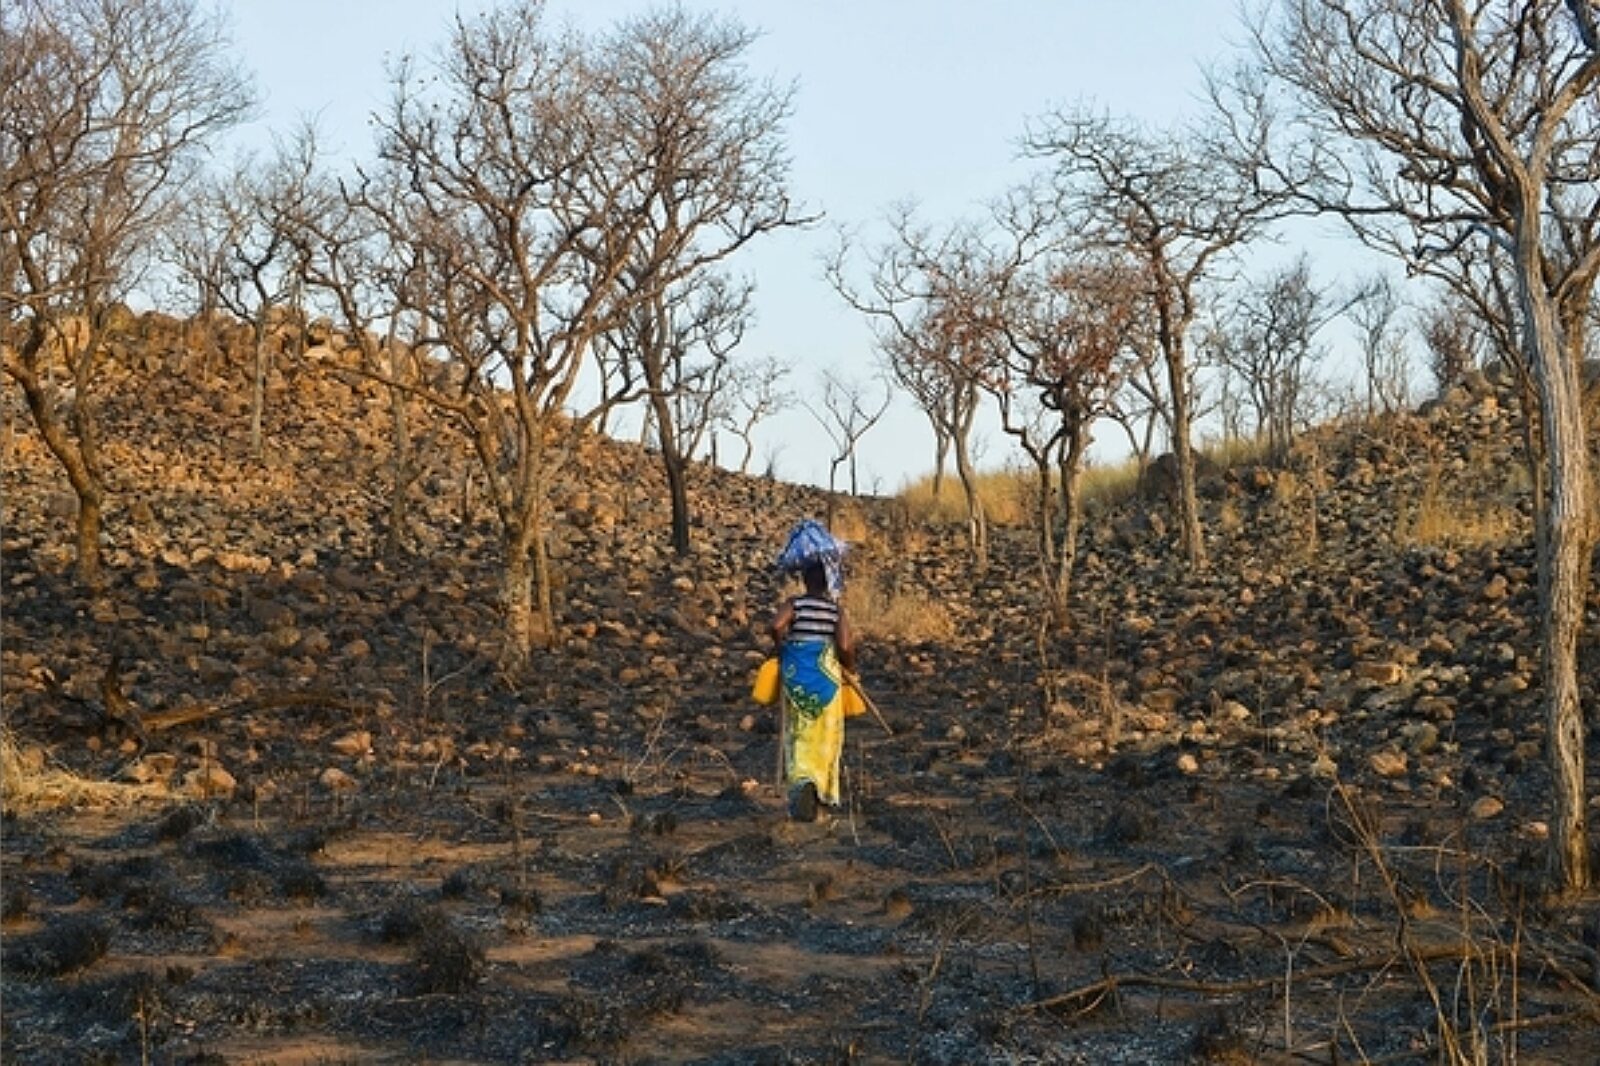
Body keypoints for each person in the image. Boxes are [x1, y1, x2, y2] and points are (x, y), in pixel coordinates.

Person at [770, 550, 857, 823]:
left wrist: (782, 647)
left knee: (798, 732)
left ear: (805, 579)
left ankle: (801, 783)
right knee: (826, 733)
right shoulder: (834, 610)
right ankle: (820, 788)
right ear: (827, 581)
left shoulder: (795, 604)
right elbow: (844, 645)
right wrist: (851, 668)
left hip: (797, 677)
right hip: (826, 680)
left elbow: (775, 625)